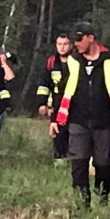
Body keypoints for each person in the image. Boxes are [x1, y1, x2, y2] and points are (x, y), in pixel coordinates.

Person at [51, 21, 110, 208]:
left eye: (80, 39)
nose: (77, 44)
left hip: (104, 121)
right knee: (79, 164)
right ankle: (82, 202)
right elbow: (62, 90)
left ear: (91, 38)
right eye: (75, 41)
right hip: (77, 120)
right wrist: (54, 119)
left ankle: (102, 197)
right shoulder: (73, 61)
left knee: (103, 163)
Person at [36, 32, 72, 165]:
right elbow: (44, 84)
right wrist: (42, 103)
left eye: (65, 44)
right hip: (57, 104)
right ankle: (59, 166)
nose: (62, 47)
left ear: (71, 45)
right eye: (59, 44)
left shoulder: (76, 61)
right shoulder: (51, 62)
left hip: (75, 103)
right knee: (58, 134)